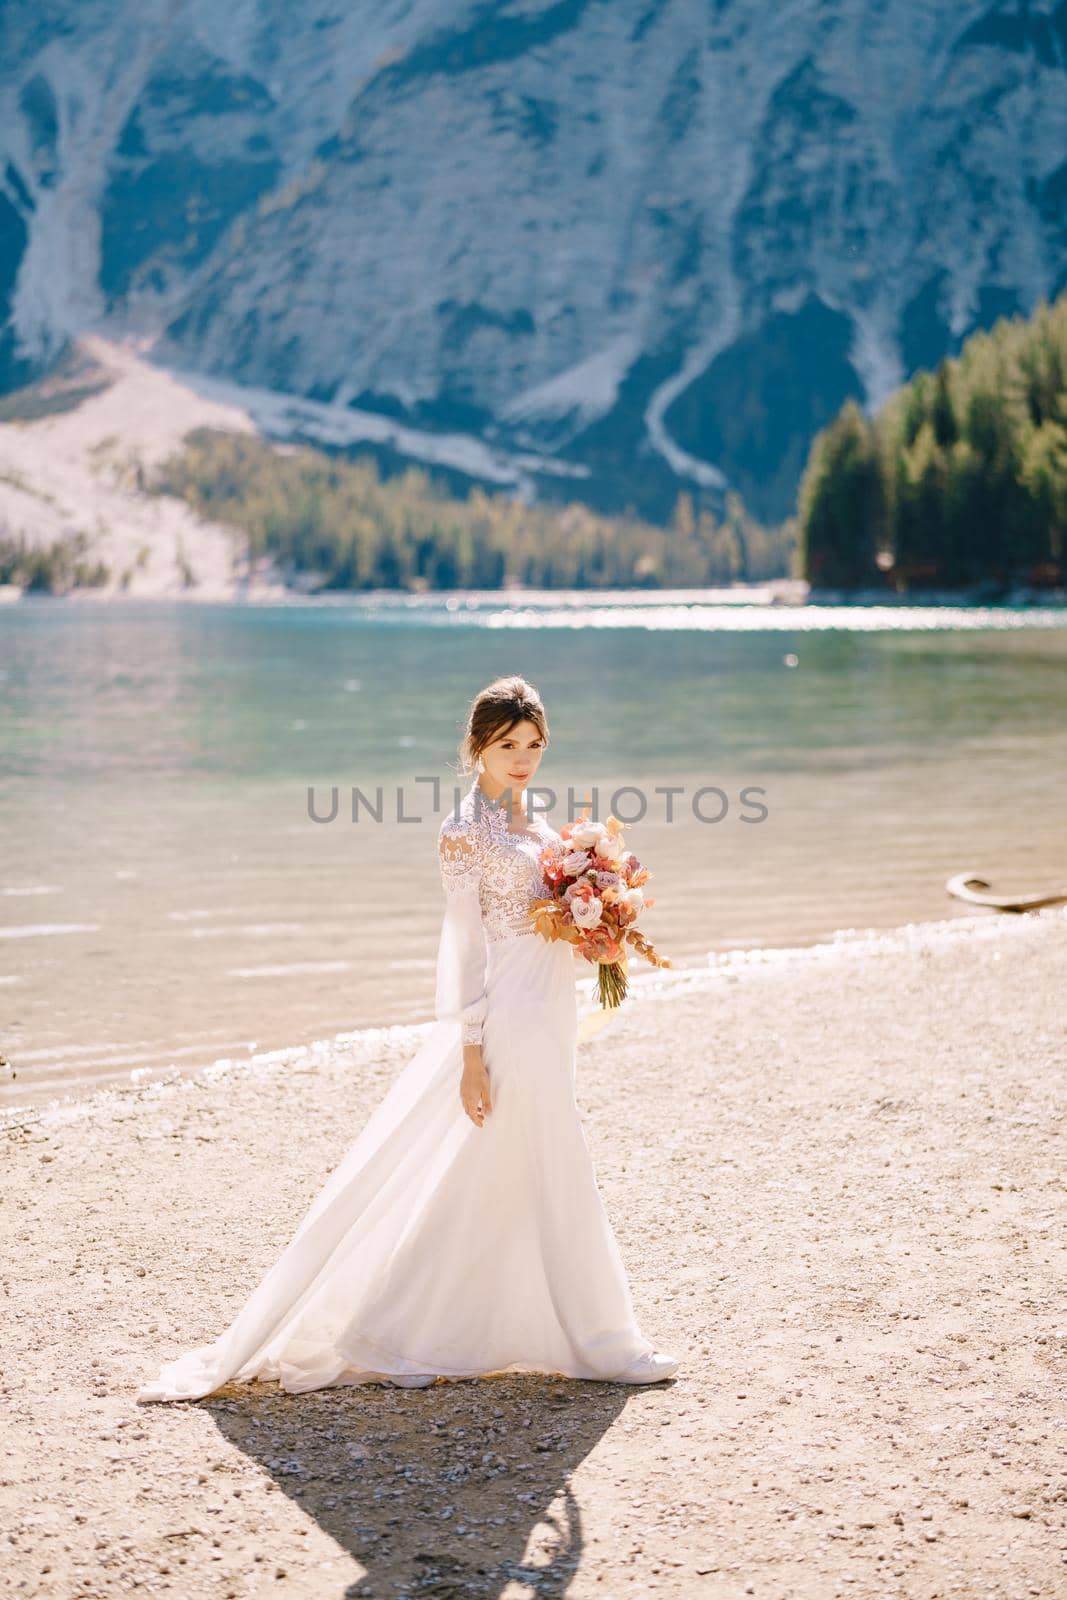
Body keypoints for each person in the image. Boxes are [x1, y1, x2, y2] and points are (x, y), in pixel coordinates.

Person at [137, 675, 677, 1401]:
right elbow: (463, 947)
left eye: (534, 745)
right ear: (477, 747)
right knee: (552, 1151)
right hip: (511, 1010)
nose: (523, 759)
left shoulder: (540, 819)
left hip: (550, 1003)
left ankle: (474, 1323)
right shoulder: (463, 831)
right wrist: (471, 1053)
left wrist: (595, 922)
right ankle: (604, 1340)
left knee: (506, 1164)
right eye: (507, 745)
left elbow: (546, 909)